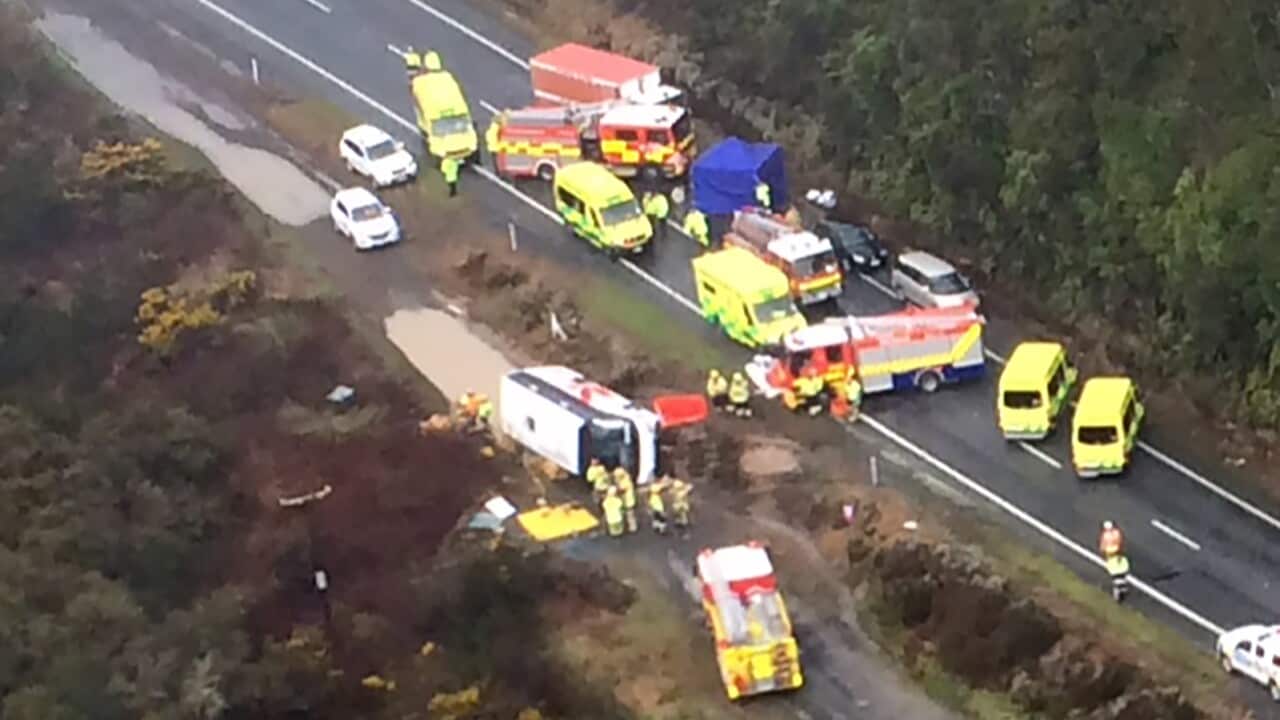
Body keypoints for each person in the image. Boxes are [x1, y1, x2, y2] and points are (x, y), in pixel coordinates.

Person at [614, 465, 637, 533]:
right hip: (624, 501)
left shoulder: (626, 481)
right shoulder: (624, 478)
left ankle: (633, 527)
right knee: (624, 513)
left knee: (630, 515)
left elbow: (621, 490)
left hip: (628, 501)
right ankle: (626, 525)